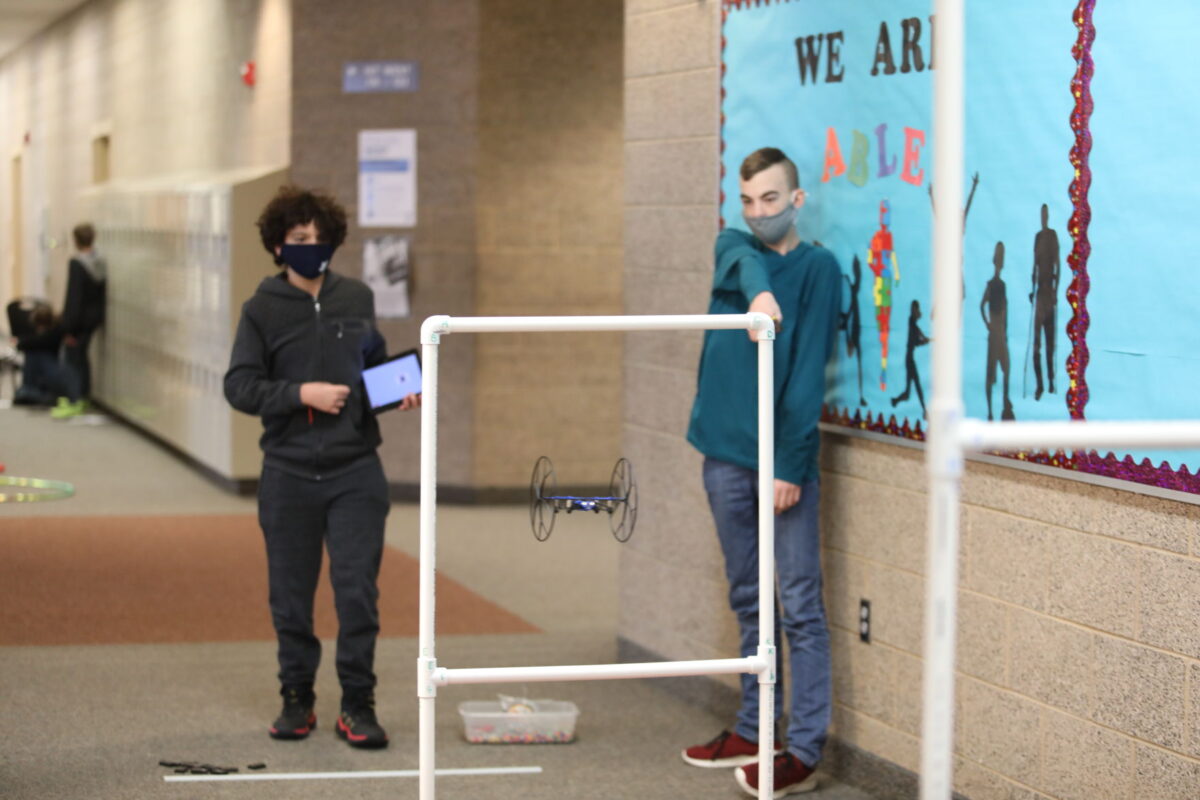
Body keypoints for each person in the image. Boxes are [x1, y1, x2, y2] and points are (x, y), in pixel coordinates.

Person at [224, 186, 419, 750]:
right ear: (278, 247)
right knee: (291, 596)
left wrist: (397, 391)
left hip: (355, 471)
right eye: (299, 238)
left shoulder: (355, 297)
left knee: (357, 592)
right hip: (288, 473)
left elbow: (369, 367)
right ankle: (297, 697)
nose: (312, 246)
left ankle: (358, 703)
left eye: (320, 237)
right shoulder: (261, 310)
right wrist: (299, 394)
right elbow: (239, 385)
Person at [682, 147, 840, 797]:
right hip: (723, 456)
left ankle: (802, 748)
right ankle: (755, 727)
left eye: (771, 199)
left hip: (781, 465)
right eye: (748, 199)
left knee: (799, 605)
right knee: (749, 598)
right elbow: (743, 257)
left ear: (796, 200)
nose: (758, 211)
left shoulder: (819, 268)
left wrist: (791, 466)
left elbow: (808, 375)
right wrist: (760, 295)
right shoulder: (734, 248)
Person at [58, 223, 107, 416]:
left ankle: (75, 398)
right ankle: (84, 397)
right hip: (94, 318)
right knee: (82, 356)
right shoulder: (99, 262)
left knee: (73, 358)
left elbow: (74, 296)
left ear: (76, 241)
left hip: (79, 320)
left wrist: (68, 327)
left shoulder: (77, 263)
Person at [12, 305, 82, 410]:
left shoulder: (54, 333)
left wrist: (21, 342)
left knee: (34, 354)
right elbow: (29, 343)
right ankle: (31, 391)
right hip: (47, 375)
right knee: (33, 354)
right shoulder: (47, 333)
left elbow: (37, 342)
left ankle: (31, 391)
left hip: (52, 374)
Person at [981, 241, 1015, 421]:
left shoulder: (1002, 285)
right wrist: (988, 323)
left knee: (1005, 369)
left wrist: (1004, 330)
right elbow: (982, 305)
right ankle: (990, 412)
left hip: (1001, 333)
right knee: (991, 373)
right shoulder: (992, 284)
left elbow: (1005, 311)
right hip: (995, 332)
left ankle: (1004, 401)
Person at [1029, 203, 1060, 400]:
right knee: (1037, 344)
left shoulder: (1052, 235)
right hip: (1040, 294)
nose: (1043, 217)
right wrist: (1032, 289)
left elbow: (1057, 264)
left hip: (1049, 293)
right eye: (1042, 214)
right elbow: (1035, 266)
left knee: (1049, 343)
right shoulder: (1038, 237)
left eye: (1045, 214)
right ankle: (1039, 384)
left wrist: (1055, 290)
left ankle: (1050, 381)